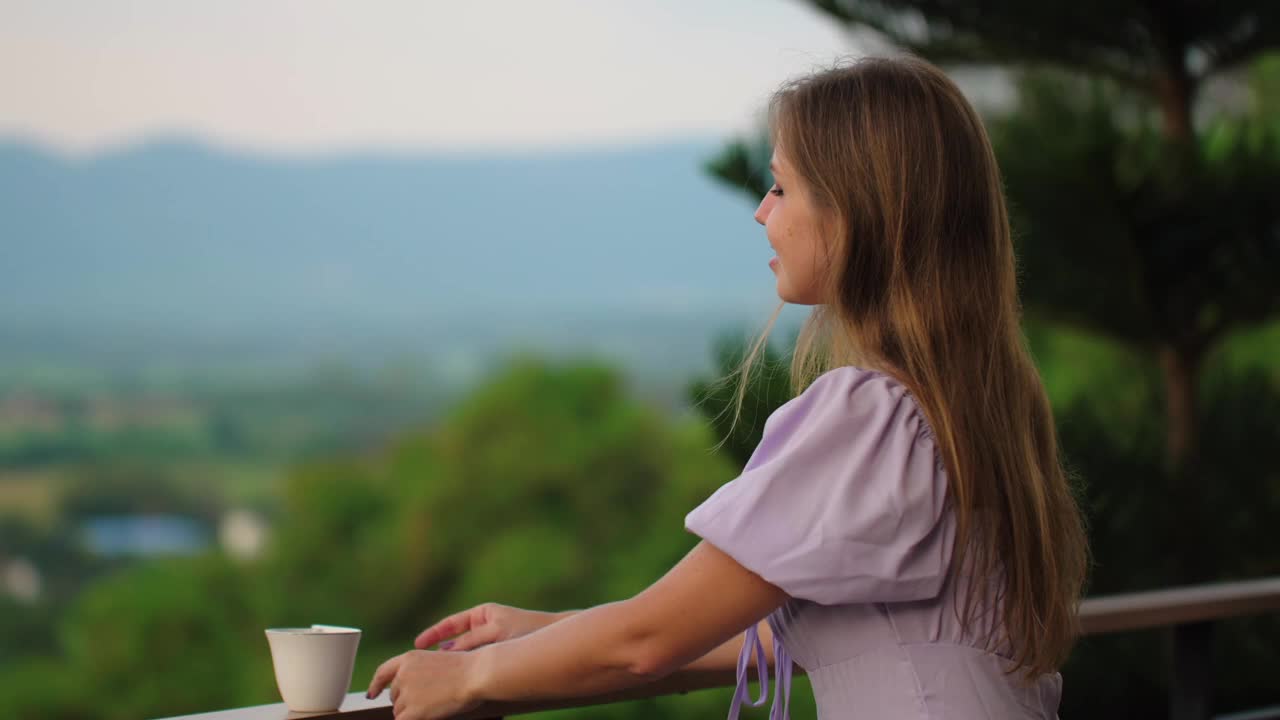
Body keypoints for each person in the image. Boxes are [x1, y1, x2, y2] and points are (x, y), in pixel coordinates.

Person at [367, 54, 1090, 720]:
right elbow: (779, 637)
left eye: (781, 186)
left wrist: (466, 680)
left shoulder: (876, 417)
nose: (761, 210)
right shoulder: (973, 405)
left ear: (856, 211)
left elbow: (647, 640)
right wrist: (543, 635)